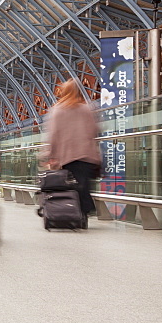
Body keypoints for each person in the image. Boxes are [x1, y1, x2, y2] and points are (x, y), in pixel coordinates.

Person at [42, 78, 101, 220]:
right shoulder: (87, 109)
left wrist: (50, 154)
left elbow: (53, 134)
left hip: (67, 156)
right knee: (84, 184)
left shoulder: (57, 110)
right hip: (87, 155)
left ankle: (72, 212)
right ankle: (85, 211)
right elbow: (94, 130)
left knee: (69, 185)